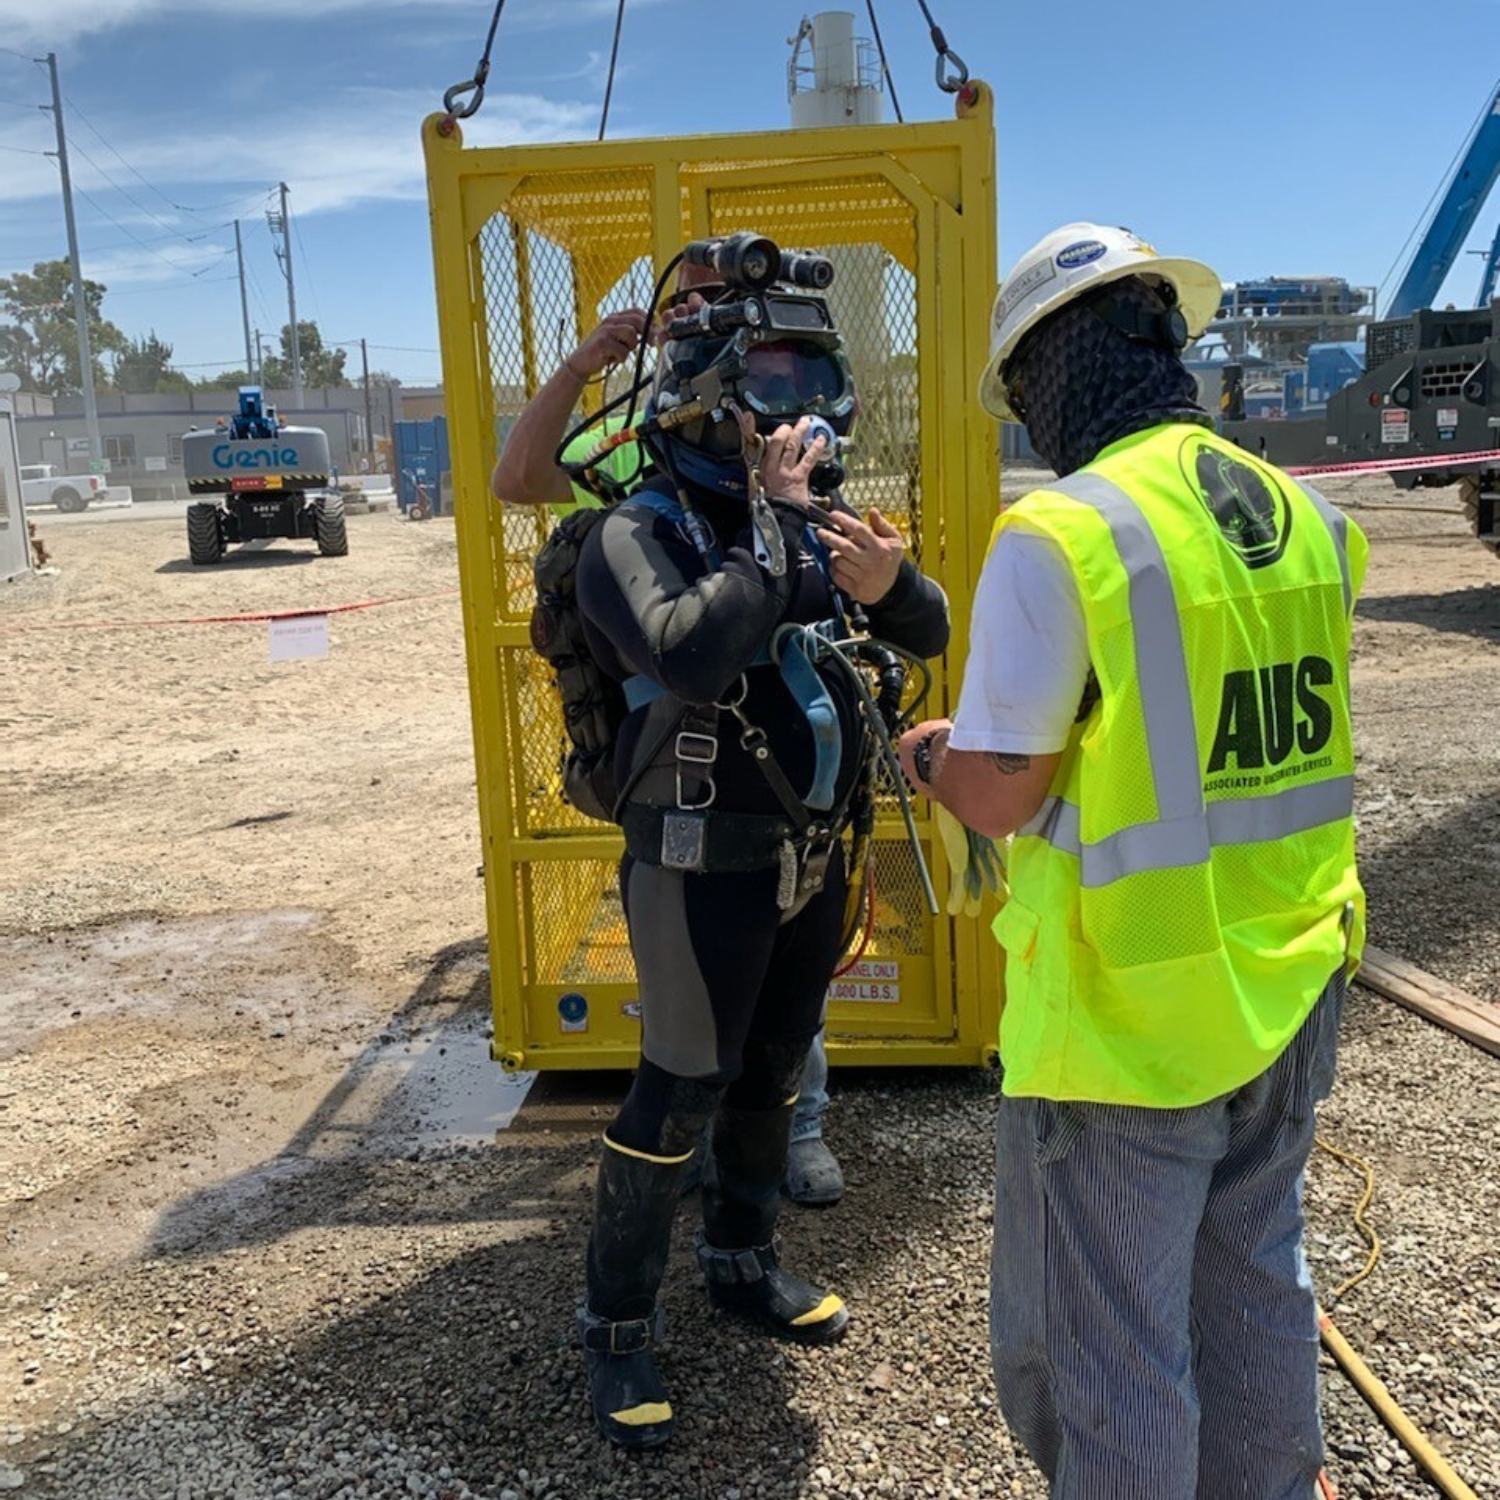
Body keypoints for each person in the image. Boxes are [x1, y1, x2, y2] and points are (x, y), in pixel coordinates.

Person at [897, 222, 1366, 1500]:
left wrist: (933, 755)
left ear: (1052, 374)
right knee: (1257, 1288)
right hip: (1291, 984)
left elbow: (1001, 791)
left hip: (1132, 1024)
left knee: (1110, 1363)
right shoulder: (1305, 517)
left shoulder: (1067, 535)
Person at [564, 249, 949, 1448]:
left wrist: (888, 583)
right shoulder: (635, 530)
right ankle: (617, 1328)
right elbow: (688, 653)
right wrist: (773, 531)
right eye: (771, 382)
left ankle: (742, 1258)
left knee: (776, 1069)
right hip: (695, 864)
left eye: (815, 381)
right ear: (701, 395)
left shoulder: (801, 520)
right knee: (682, 1084)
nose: (802, 415)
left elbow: (926, 628)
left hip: (813, 860)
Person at [491, 271, 847, 1207]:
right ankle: (681, 1168)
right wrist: (582, 365)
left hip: (794, 805)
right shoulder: (640, 468)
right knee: (699, 1018)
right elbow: (518, 478)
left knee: (782, 1010)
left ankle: (780, 1147)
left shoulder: (789, 466)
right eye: (693, 307)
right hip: (687, 782)